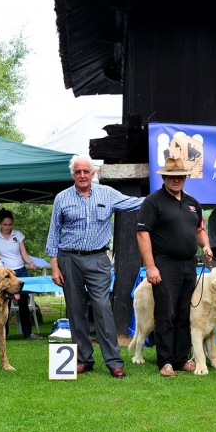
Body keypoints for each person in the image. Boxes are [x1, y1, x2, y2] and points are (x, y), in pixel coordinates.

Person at [46, 154, 144, 379]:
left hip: (99, 259)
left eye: (86, 171)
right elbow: (53, 235)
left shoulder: (107, 194)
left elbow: (134, 203)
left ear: (93, 173)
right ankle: (82, 360)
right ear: (73, 174)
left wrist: (162, 197)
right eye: (78, 172)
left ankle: (114, 362)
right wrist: (54, 267)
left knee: (102, 307)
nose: (82, 175)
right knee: (75, 309)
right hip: (68, 259)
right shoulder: (61, 198)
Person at [136, 157, 213, 377]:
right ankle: (166, 362)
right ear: (164, 177)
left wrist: (206, 246)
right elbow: (143, 234)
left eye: (180, 176)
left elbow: (199, 230)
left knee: (183, 314)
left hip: (189, 264)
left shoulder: (192, 202)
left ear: (185, 177)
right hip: (164, 263)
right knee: (165, 314)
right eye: (172, 176)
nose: (177, 180)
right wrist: (150, 267)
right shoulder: (153, 201)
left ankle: (181, 359)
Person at [0, 207, 41, 340]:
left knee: (23, 302)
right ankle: (3, 335)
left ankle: (27, 333)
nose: (7, 227)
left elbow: (24, 253)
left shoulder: (18, 234)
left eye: (10, 225)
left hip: (20, 271)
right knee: (5, 303)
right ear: (0, 223)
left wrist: (31, 263)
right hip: (5, 273)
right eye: (5, 225)